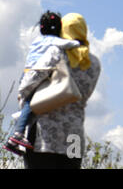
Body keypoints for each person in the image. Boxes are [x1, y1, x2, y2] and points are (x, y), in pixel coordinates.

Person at [19, 13, 101, 169]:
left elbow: (28, 82)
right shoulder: (94, 63)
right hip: (75, 135)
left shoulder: (56, 53)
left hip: (44, 136)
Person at [2, 11, 80, 156]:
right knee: (31, 104)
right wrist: (78, 41)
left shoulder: (38, 40)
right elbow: (69, 44)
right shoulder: (52, 41)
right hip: (36, 73)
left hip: (26, 74)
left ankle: (16, 139)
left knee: (31, 108)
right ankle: (17, 134)